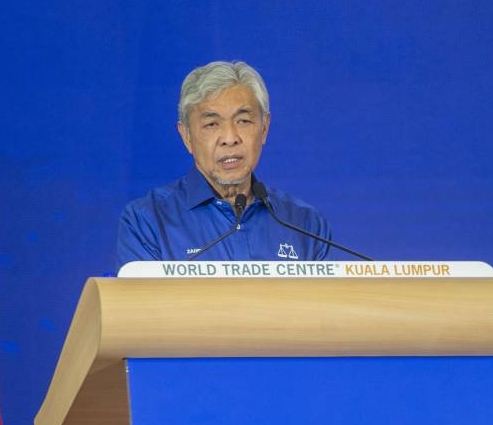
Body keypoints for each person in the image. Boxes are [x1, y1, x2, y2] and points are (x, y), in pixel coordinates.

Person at [116, 60, 332, 269]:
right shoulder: (148, 222)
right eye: (212, 124)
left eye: (243, 121)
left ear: (264, 128)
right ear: (186, 136)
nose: (230, 138)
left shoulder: (305, 225)